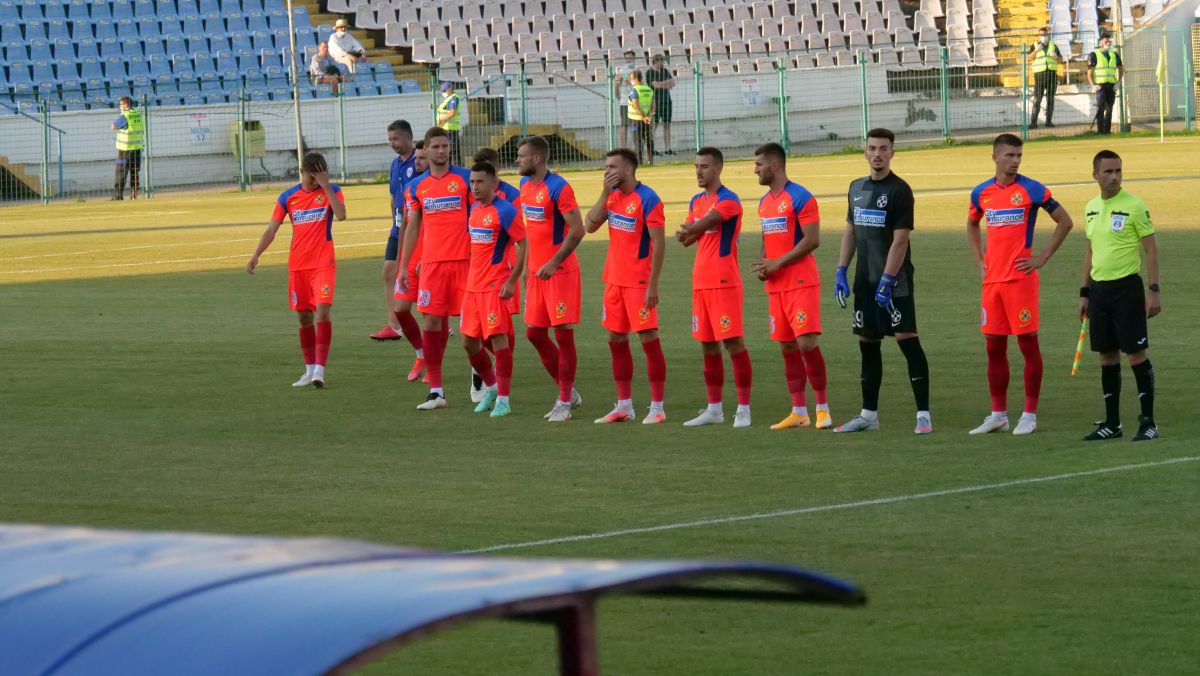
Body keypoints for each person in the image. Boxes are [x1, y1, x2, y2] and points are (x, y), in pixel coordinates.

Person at [966, 133, 1073, 435]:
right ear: (995, 157)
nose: (1015, 161)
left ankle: (1029, 414)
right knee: (994, 348)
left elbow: (1065, 221)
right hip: (992, 283)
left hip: (1020, 282)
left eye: (1019, 156)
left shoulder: (1032, 190)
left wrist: (1042, 257)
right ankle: (998, 414)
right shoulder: (981, 193)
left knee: (1028, 346)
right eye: (1009, 155)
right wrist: (978, 261)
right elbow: (972, 224)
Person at [831, 128, 931, 434]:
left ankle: (923, 417)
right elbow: (850, 230)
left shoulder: (900, 190)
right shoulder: (855, 188)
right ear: (865, 151)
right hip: (865, 280)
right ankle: (868, 416)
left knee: (907, 340)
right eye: (872, 148)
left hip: (894, 281)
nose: (877, 154)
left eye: (883, 148)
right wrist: (840, 270)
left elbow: (900, 241)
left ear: (892, 153)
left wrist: (888, 279)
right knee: (868, 343)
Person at [246, 151, 347, 388]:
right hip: (298, 266)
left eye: (319, 177)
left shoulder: (332, 190)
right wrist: (256, 254)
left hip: (323, 264)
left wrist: (326, 186)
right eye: (311, 178)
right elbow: (272, 229)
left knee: (322, 311)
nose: (315, 183)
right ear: (301, 173)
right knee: (304, 317)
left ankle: (320, 371)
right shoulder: (287, 197)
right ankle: (309, 369)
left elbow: (341, 215)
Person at [1079, 149, 1160, 441]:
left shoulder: (1135, 206)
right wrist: (1084, 293)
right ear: (1095, 175)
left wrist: (1154, 290)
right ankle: (1112, 424)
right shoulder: (1090, 207)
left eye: (1118, 172)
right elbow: (1090, 251)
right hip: (1099, 293)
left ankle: (1148, 422)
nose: (1114, 177)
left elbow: (1150, 249)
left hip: (1127, 290)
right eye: (1108, 172)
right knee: (1106, 357)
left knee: (1136, 355)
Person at [751, 142, 832, 431]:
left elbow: (812, 239)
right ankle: (799, 411)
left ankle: (822, 408)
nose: (755, 169)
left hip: (801, 282)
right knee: (786, 346)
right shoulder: (763, 202)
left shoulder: (801, 197)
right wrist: (765, 265)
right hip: (776, 285)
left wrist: (778, 264)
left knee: (806, 343)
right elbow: (767, 240)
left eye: (759, 164)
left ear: (775, 165)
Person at [584, 148, 668, 425]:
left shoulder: (648, 199)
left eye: (612, 167)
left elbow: (659, 244)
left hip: (639, 283)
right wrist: (604, 193)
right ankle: (624, 405)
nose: (607, 171)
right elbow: (589, 226)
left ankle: (657, 407)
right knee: (615, 340)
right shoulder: (613, 197)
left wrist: (653, 284)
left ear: (628, 170)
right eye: (605, 167)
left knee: (648, 340)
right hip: (614, 281)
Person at [675, 147, 753, 429]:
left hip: (724, 281)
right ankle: (714, 409)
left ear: (718, 169)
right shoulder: (696, 200)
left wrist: (689, 228)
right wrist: (683, 233)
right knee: (707, 346)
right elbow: (687, 239)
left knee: (733, 343)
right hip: (701, 282)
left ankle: (743, 408)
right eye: (696, 166)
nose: (698, 171)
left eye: (704, 166)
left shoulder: (729, 200)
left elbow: (705, 223)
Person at [397, 127, 473, 410]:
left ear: (449, 147)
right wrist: (404, 266)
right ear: (426, 151)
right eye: (436, 147)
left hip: (465, 262)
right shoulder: (415, 187)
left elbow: (480, 216)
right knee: (431, 322)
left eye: (445, 146)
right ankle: (436, 391)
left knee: (471, 328)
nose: (441, 151)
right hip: (430, 265)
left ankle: (479, 374)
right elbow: (413, 226)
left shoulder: (466, 179)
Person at [516, 135, 586, 422]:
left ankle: (564, 402)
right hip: (535, 273)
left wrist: (553, 262)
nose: (517, 160)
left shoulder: (559, 188)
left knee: (562, 334)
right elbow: (531, 231)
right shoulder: (523, 186)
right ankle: (568, 392)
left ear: (537, 159)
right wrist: (525, 269)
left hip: (559, 273)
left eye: (521, 156)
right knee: (534, 333)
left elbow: (578, 230)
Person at [461, 161, 527, 418]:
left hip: (494, 287)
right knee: (468, 342)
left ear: (493, 183)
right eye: (472, 182)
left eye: (480, 182)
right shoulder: (474, 210)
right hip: (472, 288)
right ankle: (491, 386)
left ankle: (504, 399)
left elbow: (524, 244)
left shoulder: (505, 211)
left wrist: (512, 280)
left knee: (499, 341)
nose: (475, 187)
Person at [372, 120, 420, 348]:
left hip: (416, 228)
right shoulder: (395, 164)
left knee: (418, 274)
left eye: (396, 139)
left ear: (409, 137)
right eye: (390, 140)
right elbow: (393, 197)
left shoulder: (420, 162)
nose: (393, 144)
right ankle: (394, 326)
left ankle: (437, 320)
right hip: (398, 228)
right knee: (388, 271)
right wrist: (394, 222)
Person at [1088, 34, 1123, 135]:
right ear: (1100, 43)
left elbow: (1120, 68)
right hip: (1100, 85)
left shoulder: (1114, 54)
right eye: (1105, 41)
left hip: (1111, 85)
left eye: (1109, 41)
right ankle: (1100, 130)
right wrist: (1093, 85)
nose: (1108, 43)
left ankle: (1107, 131)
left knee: (1109, 109)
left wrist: (1118, 81)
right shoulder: (1094, 54)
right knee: (1101, 108)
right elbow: (1089, 72)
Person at [109, 96, 143, 201]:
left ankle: (118, 195)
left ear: (126, 105)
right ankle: (134, 194)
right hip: (137, 149)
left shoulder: (125, 115)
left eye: (121, 104)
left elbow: (113, 126)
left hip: (125, 150)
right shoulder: (137, 114)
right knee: (134, 172)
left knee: (121, 172)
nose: (120, 106)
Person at [1028, 27, 1061, 129]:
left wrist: (1056, 57)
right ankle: (1033, 122)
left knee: (1050, 99)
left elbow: (1060, 60)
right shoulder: (1034, 45)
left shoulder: (1054, 46)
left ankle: (1049, 122)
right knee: (1037, 99)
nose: (1043, 36)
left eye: (1045, 34)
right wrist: (1036, 51)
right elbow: (1028, 58)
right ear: (1039, 36)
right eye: (1041, 35)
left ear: (1048, 35)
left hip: (1052, 75)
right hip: (1040, 76)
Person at [644, 54, 675, 155]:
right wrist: (666, 83)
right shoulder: (649, 73)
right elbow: (655, 85)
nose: (662, 64)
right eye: (661, 62)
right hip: (655, 102)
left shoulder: (665, 71)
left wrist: (662, 84)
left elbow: (672, 84)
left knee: (667, 125)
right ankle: (652, 149)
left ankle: (667, 149)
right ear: (656, 62)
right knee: (654, 125)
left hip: (667, 101)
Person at [626, 70, 655, 166]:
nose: (630, 80)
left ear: (635, 79)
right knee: (648, 140)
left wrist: (643, 117)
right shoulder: (649, 89)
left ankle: (639, 163)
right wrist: (648, 116)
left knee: (637, 142)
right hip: (647, 120)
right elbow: (653, 106)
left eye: (631, 78)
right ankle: (650, 161)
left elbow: (635, 106)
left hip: (635, 120)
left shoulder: (634, 90)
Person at [436, 82, 464, 165]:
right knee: (450, 151)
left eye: (444, 91)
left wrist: (441, 118)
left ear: (450, 89)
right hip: (446, 128)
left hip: (451, 128)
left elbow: (452, 113)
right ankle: (451, 169)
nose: (443, 93)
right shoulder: (448, 99)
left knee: (452, 151)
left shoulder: (453, 98)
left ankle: (456, 170)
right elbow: (444, 111)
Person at [615, 50, 638, 147]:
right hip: (625, 102)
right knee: (624, 124)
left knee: (634, 124)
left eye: (631, 58)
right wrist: (619, 97)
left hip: (635, 102)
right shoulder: (621, 71)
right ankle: (624, 147)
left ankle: (636, 146)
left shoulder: (637, 70)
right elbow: (616, 84)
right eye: (627, 58)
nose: (629, 60)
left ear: (634, 58)